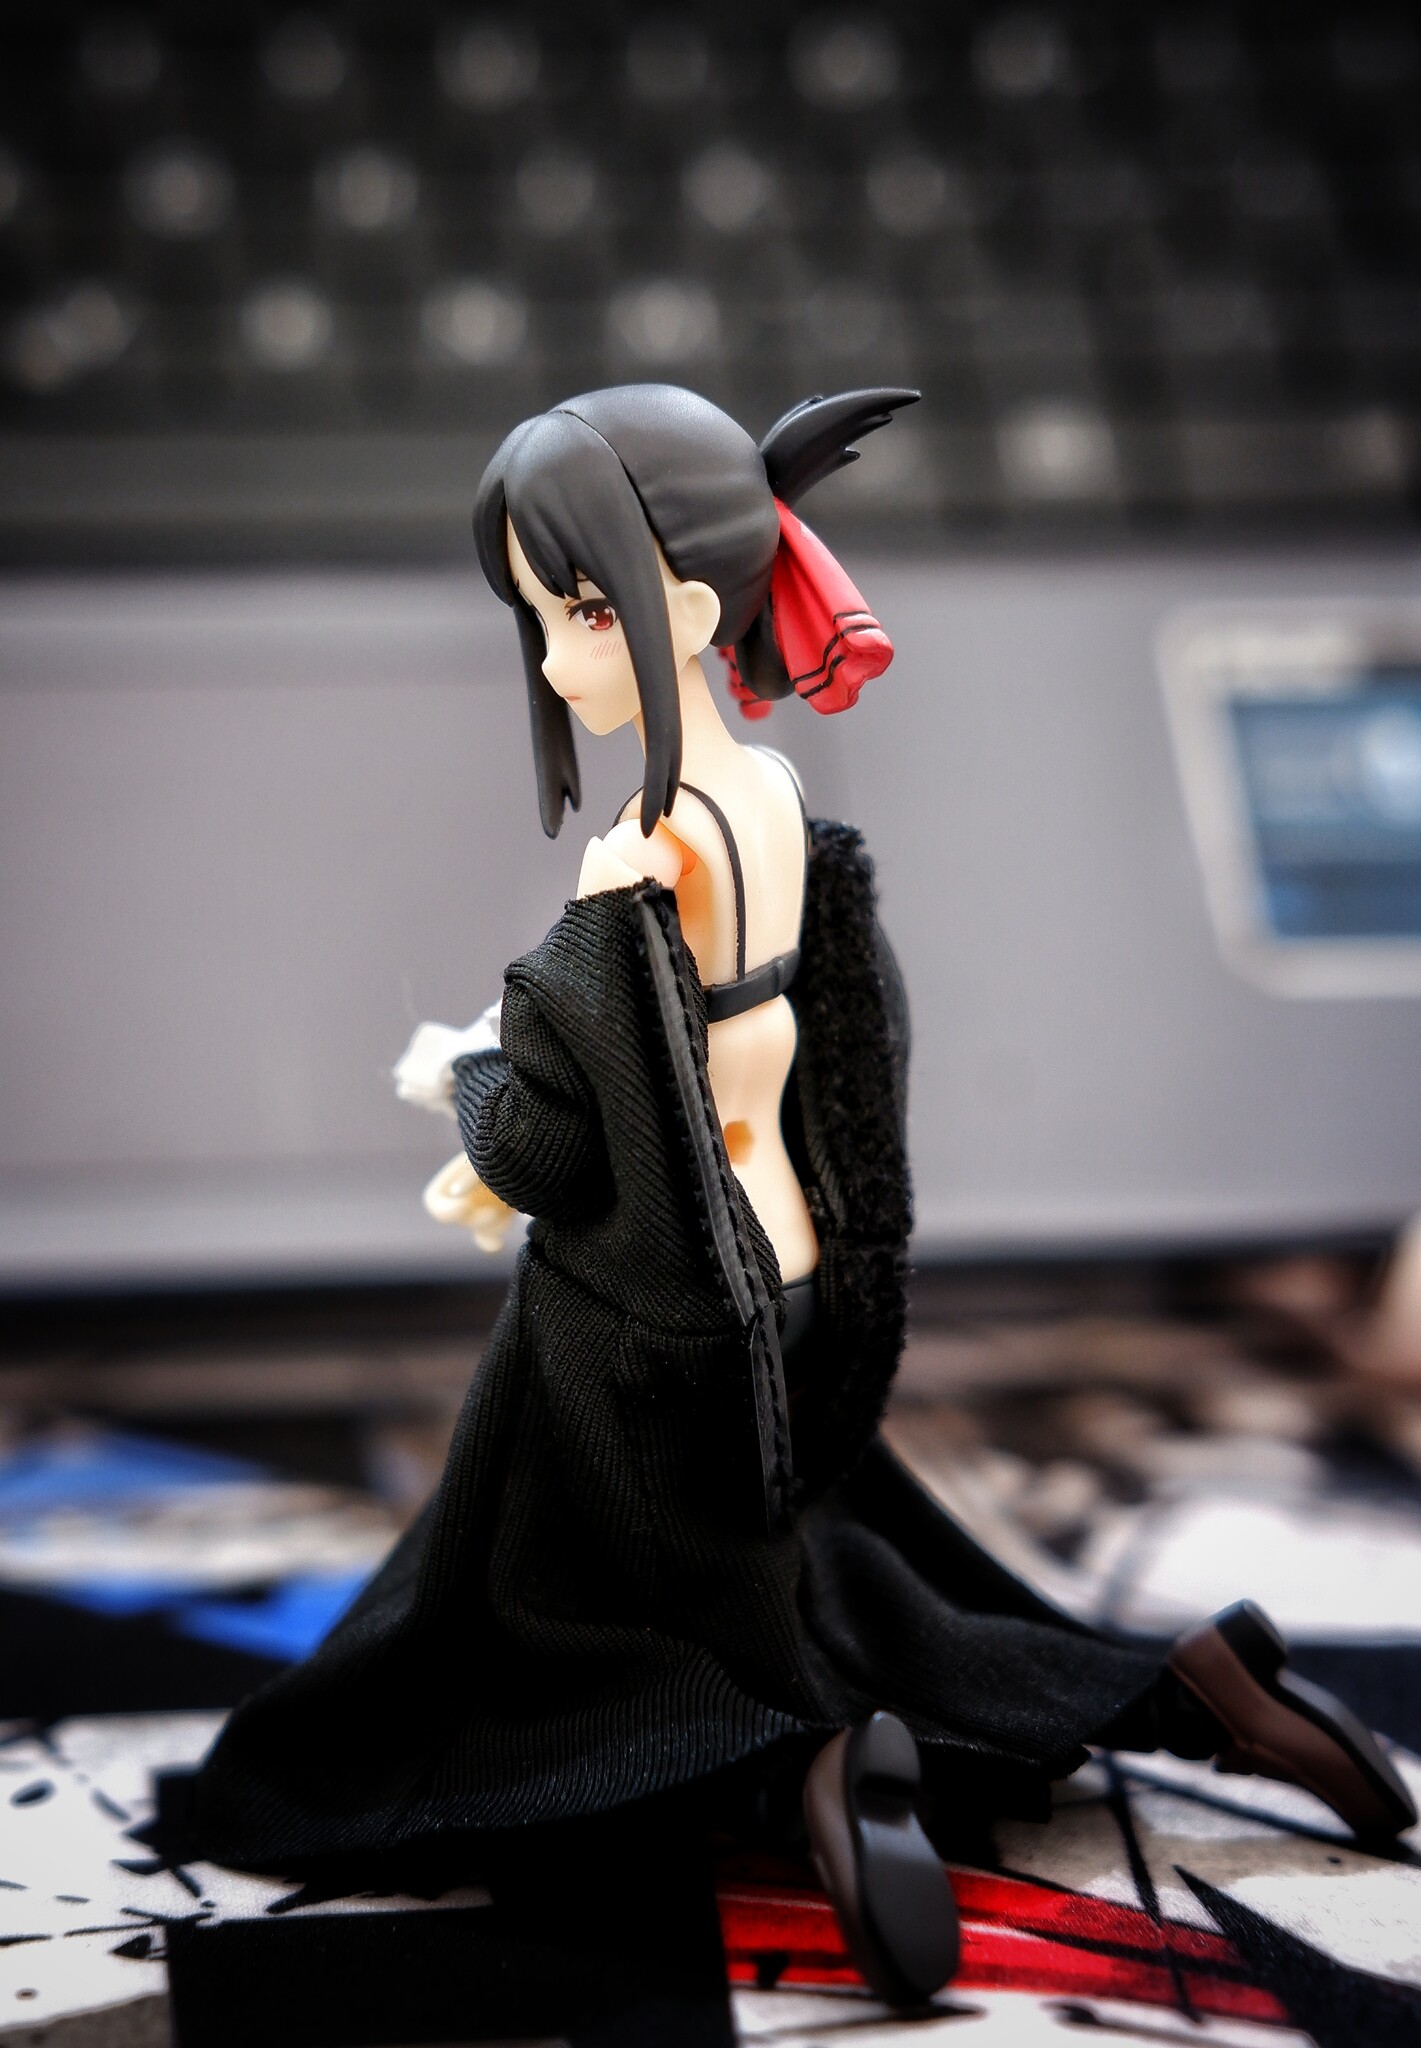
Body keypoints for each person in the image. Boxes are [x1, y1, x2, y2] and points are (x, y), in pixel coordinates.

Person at [194, 385, 1415, 2007]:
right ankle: (1188, 1685)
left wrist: (476, 1075)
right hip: (793, 1264)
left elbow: (547, 1155)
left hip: (646, 1313)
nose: (554, 661)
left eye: (579, 613)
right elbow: (831, 1030)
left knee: (565, 1611)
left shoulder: (638, 858)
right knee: (796, 1560)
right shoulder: (774, 805)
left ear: (689, 608)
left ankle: (809, 1772)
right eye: (539, 618)